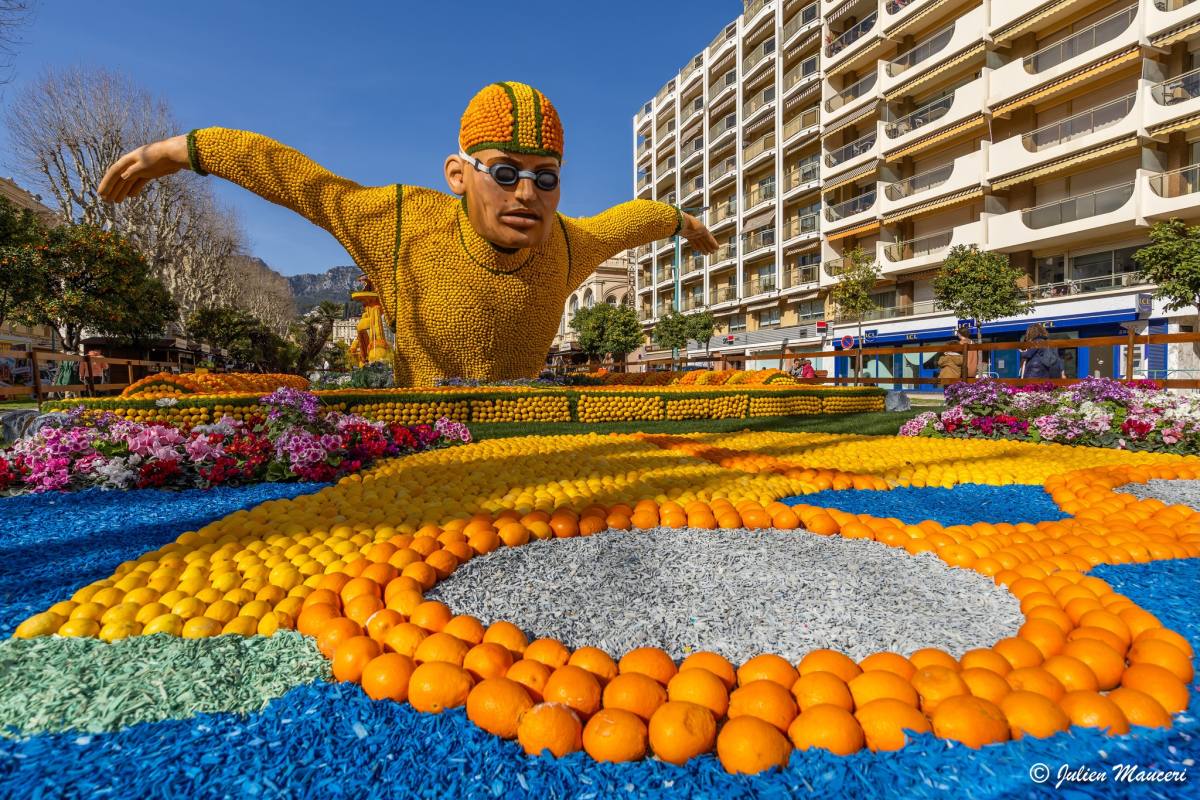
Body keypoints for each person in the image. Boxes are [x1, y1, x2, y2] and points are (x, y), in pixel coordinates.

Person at [97, 82, 718, 387]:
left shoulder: (566, 244)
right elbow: (303, 183)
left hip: (535, 449)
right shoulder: (402, 225)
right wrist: (186, 149)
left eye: (545, 178)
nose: (527, 194)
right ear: (458, 174)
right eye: (505, 173)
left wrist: (684, 223)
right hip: (419, 446)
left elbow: (633, 219)